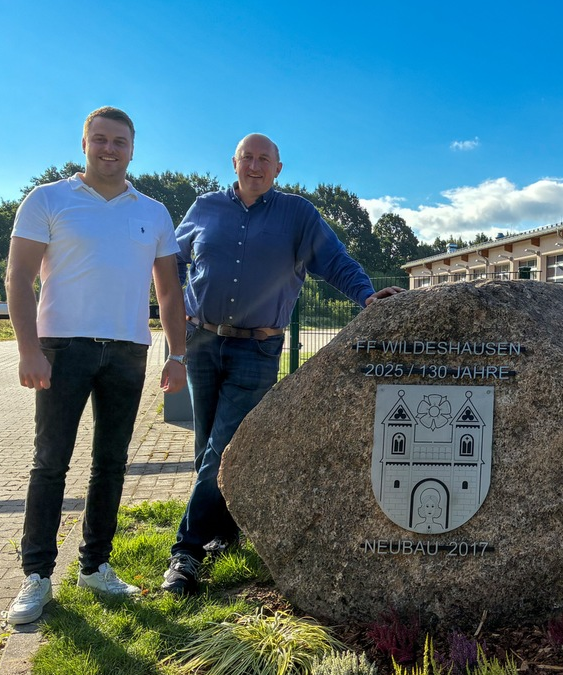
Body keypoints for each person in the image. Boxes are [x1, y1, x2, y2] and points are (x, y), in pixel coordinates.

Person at [162, 133, 403, 595]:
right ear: (234, 163)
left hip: (257, 348)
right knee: (207, 442)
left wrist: (367, 295)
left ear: (278, 168)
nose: (254, 165)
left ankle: (186, 553)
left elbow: (335, 261)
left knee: (222, 443)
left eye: (264, 160)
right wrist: (178, 304)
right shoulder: (204, 207)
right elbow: (170, 261)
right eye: (247, 157)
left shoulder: (298, 215)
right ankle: (224, 531)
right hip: (202, 341)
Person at [4, 107, 187, 625]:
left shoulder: (152, 210)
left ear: (133, 149)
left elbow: (169, 291)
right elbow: (18, 279)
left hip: (128, 351)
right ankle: (36, 577)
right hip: (61, 349)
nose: (110, 149)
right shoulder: (48, 199)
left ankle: (95, 566)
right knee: (50, 463)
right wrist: (28, 348)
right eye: (101, 140)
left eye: (120, 142)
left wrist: (176, 355)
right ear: (84, 142)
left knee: (111, 464)